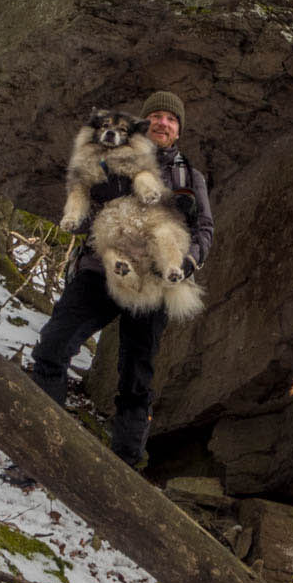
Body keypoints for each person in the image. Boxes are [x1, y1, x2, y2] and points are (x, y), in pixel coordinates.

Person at [27, 90, 213, 467]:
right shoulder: (102, 156)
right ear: (143, 125)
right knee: (52, 347)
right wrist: (94, 205)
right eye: (157, 116)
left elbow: (205, 229)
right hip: (101, 269)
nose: (164, 123)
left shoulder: (189, 176)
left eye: (171, 119)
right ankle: (39, 455)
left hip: (155, 282)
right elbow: (75, 219)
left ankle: (123, 474)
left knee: (136, 380)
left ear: (178, 131)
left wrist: (188, 263)